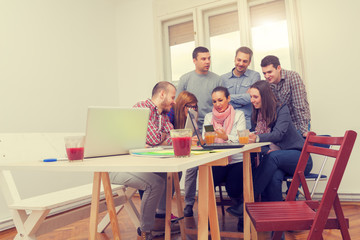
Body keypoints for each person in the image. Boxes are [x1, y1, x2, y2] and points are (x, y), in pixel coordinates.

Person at [110, 81, 179, 240]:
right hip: (121, 165)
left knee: (170, 173)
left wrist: (161, 138)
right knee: (155, 183)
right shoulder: (142, 108)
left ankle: (160, 218)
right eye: (172, 97)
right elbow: (155, 138)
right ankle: (145, 231)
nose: (174, 101)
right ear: (162, 94)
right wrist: (161, 138)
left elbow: (172, 136)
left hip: (138, 163)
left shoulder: (161, 115)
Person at [248, 80, 313, 203]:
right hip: (277, 161)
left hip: (299, 158)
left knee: (272, 157)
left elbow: (278, 134)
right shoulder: (257, 114)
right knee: (273, 177)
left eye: (255, 97)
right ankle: (274, 214)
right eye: (251, 96)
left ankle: (248, 200)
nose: (252, 100)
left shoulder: (281, 109)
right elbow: (257, 139)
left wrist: (256, 138)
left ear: (265, 97)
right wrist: (264, 148)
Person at [177, 46, 222, 217]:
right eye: (203, 59)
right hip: (190, 124)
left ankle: (207, 203)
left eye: (209, 58)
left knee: (209, 160)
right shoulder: (185, 78)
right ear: (194, 60)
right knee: (191, 166)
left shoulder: (216, 79)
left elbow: (219, 105)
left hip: (209, 123)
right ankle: (188, 204)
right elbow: (178, 103)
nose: (207, 61)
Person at [202, 86, 246, 231]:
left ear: (228, 99)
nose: (217, 104)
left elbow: (242, 140)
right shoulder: (209, 117)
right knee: (206, 183)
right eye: (214, 101)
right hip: (216, 160)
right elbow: (207, 139)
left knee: (234, 189)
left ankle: (242, 217)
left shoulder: (238, 115)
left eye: (220, 100)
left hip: (236, 160)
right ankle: (208, 218)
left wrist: (225, 137)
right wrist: (206, 139)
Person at [261, 55, 311, 137]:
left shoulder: (292, 77)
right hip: (282, 127)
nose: (266, 76)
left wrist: (304, 131)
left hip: (298, 124)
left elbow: (300, 106)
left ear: (278, 68)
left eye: (269, 72)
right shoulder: (268, 84)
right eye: (264, 73)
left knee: (300, 148)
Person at [220, 46, 260, 128]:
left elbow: (251, 98)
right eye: (239, 60)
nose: (241, 64)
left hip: (248, 124)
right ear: (234, 59)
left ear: (249, 62)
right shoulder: (223, 79)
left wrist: (229, 98)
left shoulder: (255, 76)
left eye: (245, 61)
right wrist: (242, 100)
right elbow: (221, 102)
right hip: (227, 123)